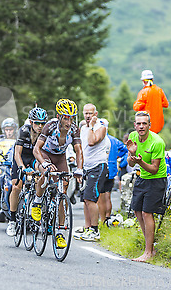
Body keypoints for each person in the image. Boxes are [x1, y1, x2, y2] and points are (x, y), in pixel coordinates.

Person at [32, 99, 83, 249]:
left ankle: (60, 232)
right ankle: (37, 202)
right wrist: (45, 163)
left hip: (60, 158)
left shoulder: (74, 129)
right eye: (66, 117)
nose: (68, 121)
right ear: (59, 116)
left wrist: (79, 169)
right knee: (46, 174)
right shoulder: (50, 126)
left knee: (63, 192)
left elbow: (79, 151)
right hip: (45, 154)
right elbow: (36, 149)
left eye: (71, 117)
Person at [127, 111, 167, 262]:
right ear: (135, 125)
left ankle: (148, 252)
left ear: (150, 125)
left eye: (144, 123)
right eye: (139, 123)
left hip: (157, 179)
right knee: (137, 211)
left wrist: (139, 162)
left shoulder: (157, 142)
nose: (141, 126)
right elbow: (130, 163)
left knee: (146, 213)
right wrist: (132, 154)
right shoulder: (132, 137)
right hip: (142, 177)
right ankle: (150, 247)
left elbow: (154, 169)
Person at [6, 106, 47, 236]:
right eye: (37, 123)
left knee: (40, 178)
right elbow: (17, 153)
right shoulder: (24, 131)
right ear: (31, 122)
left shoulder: (45, 132)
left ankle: (35, 208)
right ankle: (12, 221)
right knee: (16, 187)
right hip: (22, 157)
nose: (40, 126)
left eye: (42, 123)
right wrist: (22, 168)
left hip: (34, 157)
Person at [74, 103, 109, 242]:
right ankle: (87, 228)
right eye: (86, 113)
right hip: (86, 168)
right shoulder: (83, 128)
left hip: (98, 166)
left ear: (96, 113)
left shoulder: (101, 127)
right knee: (84, 200)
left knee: (90, 198)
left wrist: (91, 126)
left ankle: (95, 230)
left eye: (91, 113)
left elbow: (91, 142)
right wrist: (80, 169)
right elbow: (81, 150)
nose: (88, 116)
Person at [98, 134, 128, 224]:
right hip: (112, 169)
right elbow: (125, 149)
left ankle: (102, 220)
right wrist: (117, 155)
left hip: (102, 169)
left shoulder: (99, 138)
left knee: (101, 196)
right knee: (108, 195)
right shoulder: (114, 140)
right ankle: (108, 217)